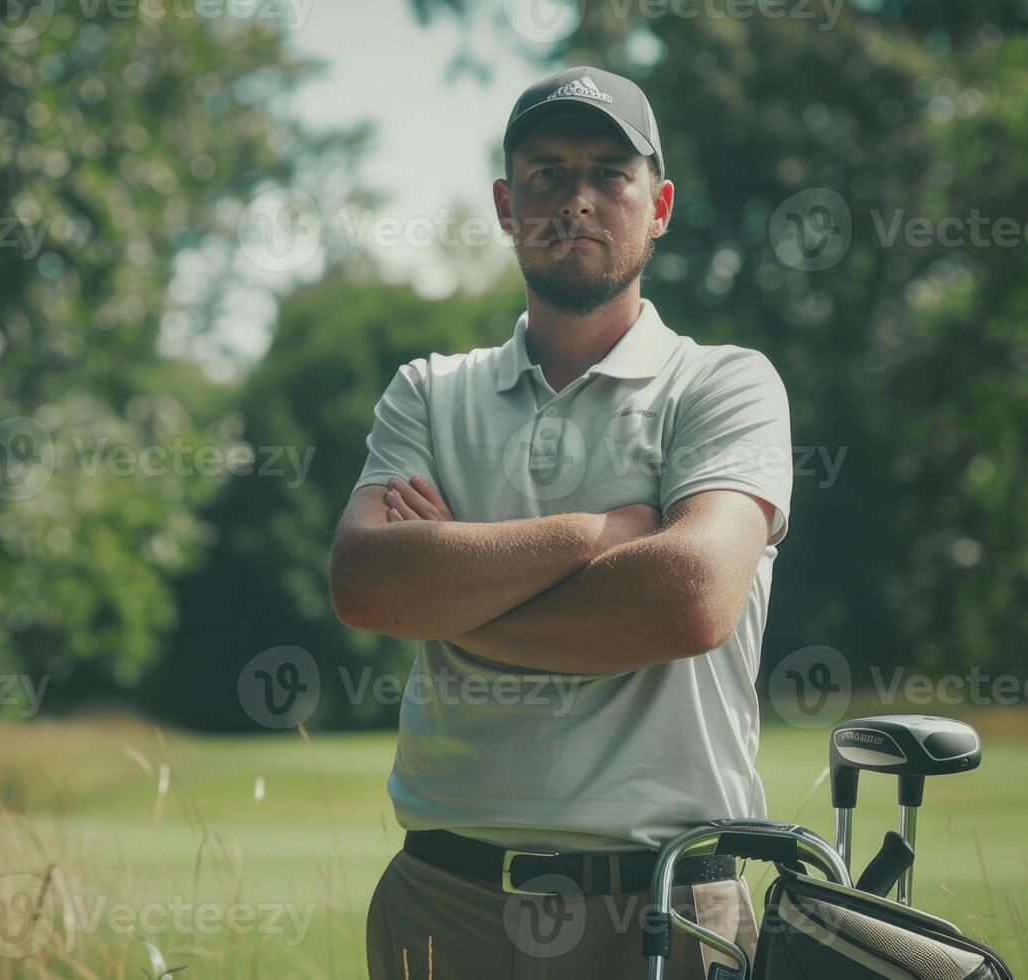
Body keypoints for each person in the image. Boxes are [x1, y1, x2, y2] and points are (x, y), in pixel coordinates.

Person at [330, 65, 793, 978]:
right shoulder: (429, 391)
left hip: (666, 903)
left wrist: (455, 595)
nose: (575, 200)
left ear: (657, 204)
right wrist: (604, 534)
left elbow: (690, 602)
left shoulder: (725, 384)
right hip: (445, 898)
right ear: (507, 205)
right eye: (546, 174)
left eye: (607, 174)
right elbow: (367, 584)